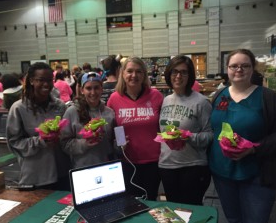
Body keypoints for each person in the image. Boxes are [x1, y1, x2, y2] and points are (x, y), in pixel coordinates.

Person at [209, 49, 276, 223]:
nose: (239, 70)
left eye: (245, 66)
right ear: (227, 69)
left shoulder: (268, 97)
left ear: (253, 68)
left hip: (256, 174)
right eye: (234, 66)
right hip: (222, 173)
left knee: (256, 219)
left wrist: (254, 149)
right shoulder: (219, 96)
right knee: (233, 219)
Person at [6, 62, 70, 190]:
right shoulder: (19, 108)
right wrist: (40, 141)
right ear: (31, 81)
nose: (46, 84)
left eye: (49, 80)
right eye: (41, 80)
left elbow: (67, 137)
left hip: (62, 172)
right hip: (36, 176)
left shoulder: (60, 106)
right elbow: (14, 143)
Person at [107, 56, 163, 200]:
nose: (134, 75)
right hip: (127, 161)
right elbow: (116, 127)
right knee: (129, 203)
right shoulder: (114, 98)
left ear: (144, 75)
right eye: (130, 71)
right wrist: (120, 145)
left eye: (139, 72)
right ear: (123, 74)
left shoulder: (156, 96)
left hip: (153, 161)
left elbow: (162, 127)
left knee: (150, 201)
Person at [158, 55, 212, 205]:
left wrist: (188, 137)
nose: (178, 76)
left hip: (192, 167)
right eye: (174, 71)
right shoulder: (166, 100)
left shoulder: (201, 102)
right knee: (174, 212)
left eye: (184, 72)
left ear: (190, 76)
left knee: (191, 212)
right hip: (167, 166)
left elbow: (210, 135)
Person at [61, 72, 115, 168]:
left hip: (107, 167)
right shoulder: (72, 112)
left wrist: (121, 145)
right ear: (82, 90)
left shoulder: (109, 113)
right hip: (82, 168)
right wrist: (84, 143)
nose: (93, 93)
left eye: (96, 88)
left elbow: (113, 142)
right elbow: (64, 144)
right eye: (88, 88)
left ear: (102, 89)